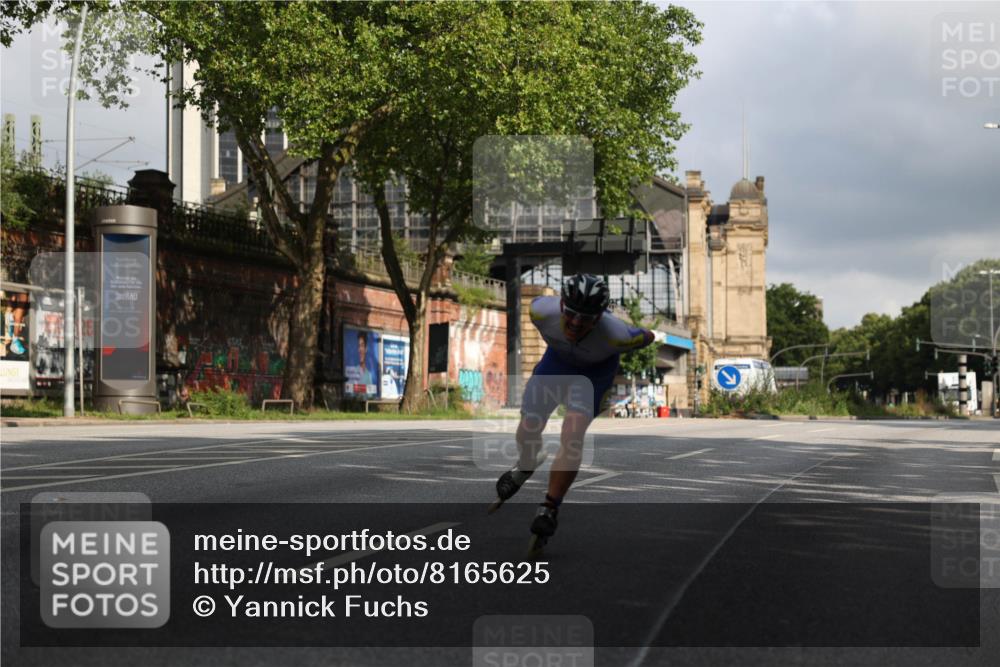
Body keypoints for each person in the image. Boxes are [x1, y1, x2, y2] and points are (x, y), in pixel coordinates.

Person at [493, 273, 667, 552]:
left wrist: (657, 335)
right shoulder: (540, 311)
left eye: (585, 319)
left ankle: (549, 507)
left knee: (572, 434)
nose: (575, 323)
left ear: (599, 318)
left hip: (594, 374)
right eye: (571, 314)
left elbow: (645, 335)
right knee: (528, 426)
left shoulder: (617, 335)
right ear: (561, 305)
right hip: (557, 362)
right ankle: (527, 463)